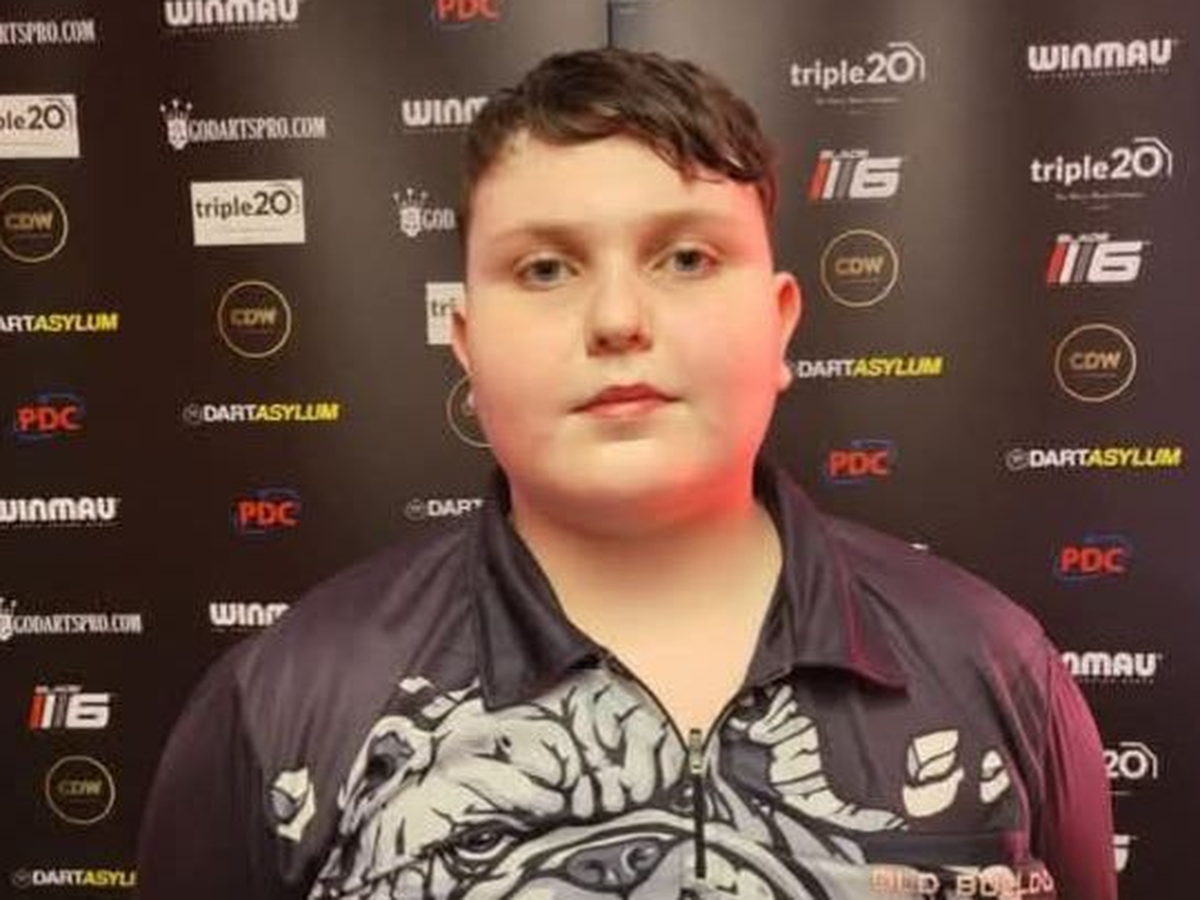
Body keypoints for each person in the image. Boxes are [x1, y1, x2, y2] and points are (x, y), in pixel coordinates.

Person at [137, 48, 1116, 900]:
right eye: (545, 269)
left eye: (685, 258)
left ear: (779, 322)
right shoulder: (283, 705)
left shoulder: (993, 667)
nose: (616, 319)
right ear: (466, 343)